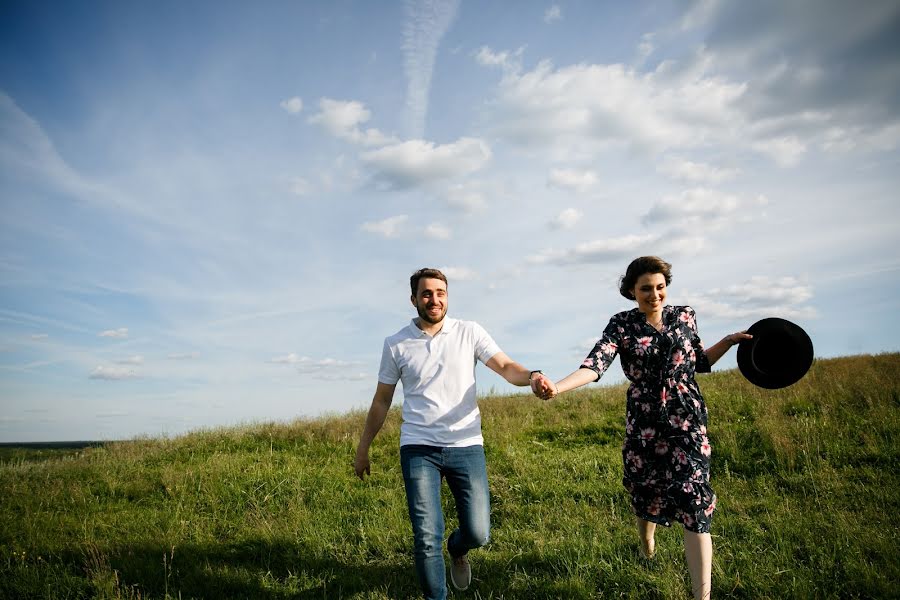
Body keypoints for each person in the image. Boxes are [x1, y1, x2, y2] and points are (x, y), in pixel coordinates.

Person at [536, 256, 750, 600]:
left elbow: (700, 363)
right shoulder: (621, 324)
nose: (655, 294)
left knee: (694, 498)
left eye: (660, 287)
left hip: (687, 419)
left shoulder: (685, 316)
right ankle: (647, 542)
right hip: (645, 421)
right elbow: (595, 365)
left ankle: (702, 596)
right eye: (646, 288)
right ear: (632, 292)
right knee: (646, 488)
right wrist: (558, 387)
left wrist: (727, 341)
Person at [354, 267, 551, 600]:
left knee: (479, 532)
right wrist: (363, 449)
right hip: (418, 448)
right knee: (426, 536)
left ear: (447, 296)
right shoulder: (396, 344)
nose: (434, 299)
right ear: (414, 298)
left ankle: (458, 549)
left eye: (440, 293)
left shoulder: (469, 332)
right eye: (427, 293)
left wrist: (532, 375)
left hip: (466, 445)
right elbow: (382, 399)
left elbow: (505, 366)